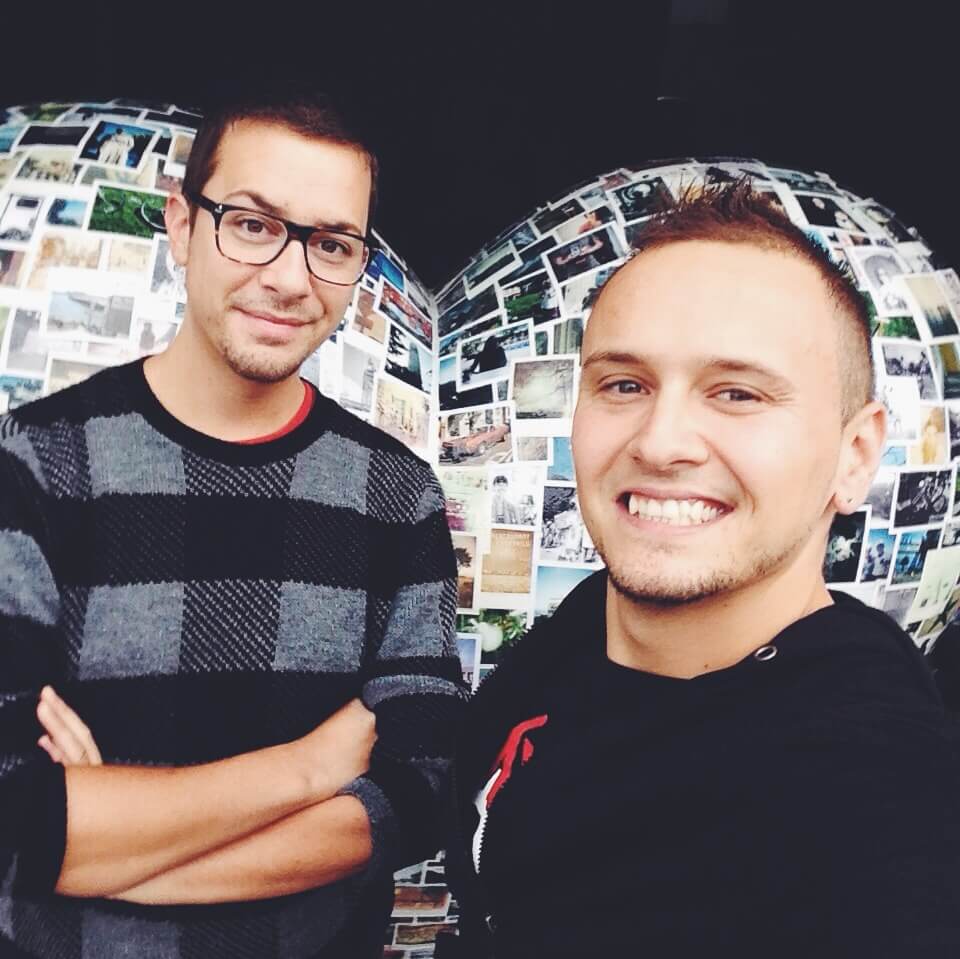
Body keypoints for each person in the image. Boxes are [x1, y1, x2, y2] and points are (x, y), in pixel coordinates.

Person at [438, 180, 960, 958]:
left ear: (854, 456)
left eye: (738, 393)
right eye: (624, 384)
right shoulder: (586, 625)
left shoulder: (871, 796)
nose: (661, 441)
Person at [0, 92, 466, 958]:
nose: (290, 278)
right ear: (181, 226)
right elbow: (11, 812)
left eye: (331, 244)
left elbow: (420, 790)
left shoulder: (397, 493)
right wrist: (310, 769)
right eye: (252, 224)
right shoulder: (33, 461)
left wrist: (97, 844)